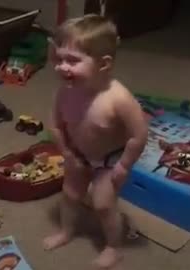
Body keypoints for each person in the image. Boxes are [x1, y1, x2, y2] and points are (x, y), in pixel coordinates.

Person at [42, 14, 148, 269]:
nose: (62, 67)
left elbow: (139, 134)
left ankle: (114, 247)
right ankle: (66, 231)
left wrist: (124, 166)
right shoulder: (64, 92)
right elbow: (55, 125)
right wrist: (67, 153)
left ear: (104, 63)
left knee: (103, 205)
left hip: (109, 162)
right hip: (77, 154)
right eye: (59, 59)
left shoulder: (118, 98)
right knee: (70, 195)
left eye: (73, 60)